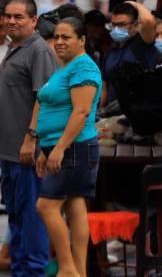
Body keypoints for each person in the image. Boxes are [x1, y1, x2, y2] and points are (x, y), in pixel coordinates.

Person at [35, 18, 103, 277]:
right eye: (57, 37)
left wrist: (60, 147)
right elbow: (52, 107)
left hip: (74, 148)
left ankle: (67, 269)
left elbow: (82, 111)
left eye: (67, 37)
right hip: (62, 147)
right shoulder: (65, 66)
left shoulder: (83, 68)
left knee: (46, 206)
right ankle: (79, 272)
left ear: (82, 41)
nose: (60, 42)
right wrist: (45, 147)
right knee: (74, 206)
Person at [0, 0, 56, 277]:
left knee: (32, 218)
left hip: (28, 153)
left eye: (18, 17)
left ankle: (32, 272)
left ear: (34, 21)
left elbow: (43, 99)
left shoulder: (38, 50)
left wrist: (32, 138)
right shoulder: (13, 48)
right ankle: (20, 270)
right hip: (9, 151)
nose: (11, 21)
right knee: (17, 216)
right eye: (8, 16)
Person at [100, 1, 157, 112]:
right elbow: (104, 87)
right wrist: (100, 111)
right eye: (113, 25)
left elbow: (148, 20)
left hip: (139, 113)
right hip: (112, 113)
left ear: (136, 25)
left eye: (121, 25)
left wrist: (132, 3)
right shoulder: (111, 52)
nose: (116, 29)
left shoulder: (143, 44)